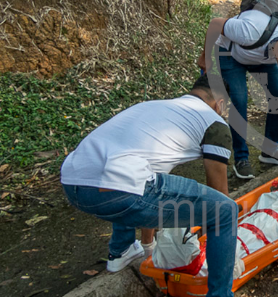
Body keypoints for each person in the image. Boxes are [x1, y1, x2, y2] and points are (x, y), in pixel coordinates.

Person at [60, 75, 238, 297]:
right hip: (118, 189)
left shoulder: (156, 107)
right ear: (220, 104)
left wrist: (148, 246)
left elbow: (153, 188)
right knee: (227, 211)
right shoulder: (214, 122)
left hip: (73, 183)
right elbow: (219, 192)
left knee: (129, 177)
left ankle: (121, 250)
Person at [197, 0, 278, 180]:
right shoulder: (250, 30)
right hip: (231, 53)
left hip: (260, 57)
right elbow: (216, 23)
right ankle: (241, 158)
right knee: (240, 99)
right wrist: (205, 57)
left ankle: (269, 151)